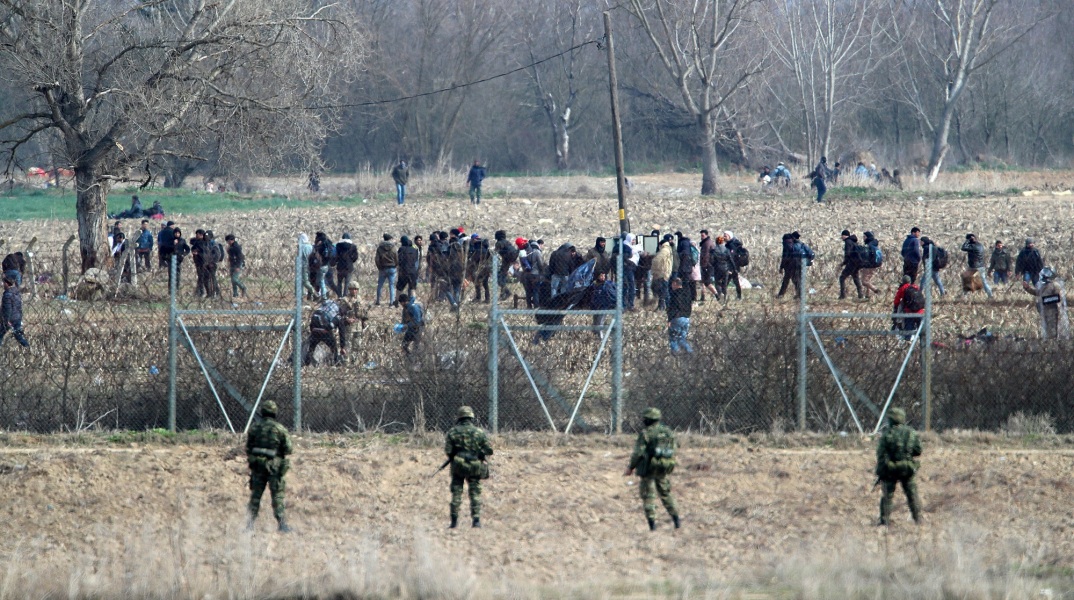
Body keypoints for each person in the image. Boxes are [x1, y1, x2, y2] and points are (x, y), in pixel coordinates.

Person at [624, 407, 680, 531]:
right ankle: (676, 521)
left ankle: (652, 526)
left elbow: (638, 453)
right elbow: (674, 448)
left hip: (648, 469)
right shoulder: (668, 432)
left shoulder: (646, 433)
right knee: (666, 494)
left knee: (648, 496)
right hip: (664, 467)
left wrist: (630, 467)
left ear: (648, 419)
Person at [246, 400, 293, 533]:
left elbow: (249, 447)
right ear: (274, 413)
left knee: (255, 496)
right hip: (274, 467)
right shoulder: (280, 429)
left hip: (258, 466)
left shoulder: (254, 428)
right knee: (277, 496)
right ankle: (282, 525)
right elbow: (288, 449)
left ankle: (249, 525)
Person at [444, 405, 493, 529]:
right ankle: (476, 521)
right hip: (474, 466)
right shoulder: (479, 432)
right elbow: (489, 450)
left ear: (459, 417)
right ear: (471, 417)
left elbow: (448, 451)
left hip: (458, 465)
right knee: (475, 493)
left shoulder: (452, 432)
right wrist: (479, 454)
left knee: (456, 493)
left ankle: (454, 521)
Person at [875, 407, 922, 526]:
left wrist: (881, 471)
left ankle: (884, 521)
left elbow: (881, 455)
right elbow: (918, 450)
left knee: (887, 496)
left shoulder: (886, 435)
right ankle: (918, 519)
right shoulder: (911, 433)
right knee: (912, 494)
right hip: (907, 468)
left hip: (890, 470)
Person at [1022, 267, 1069, 339]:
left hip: (1052, 310)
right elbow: (1037, 292)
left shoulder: (1054, 286)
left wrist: (1044, 301)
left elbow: (1058, 298)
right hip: (1043, 310)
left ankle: (1053, 343)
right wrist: (1027, 288)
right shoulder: (1042, 286)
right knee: (1046, 329)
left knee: (1052, 329)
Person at [304, 299, 354, 365]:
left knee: (312, 347)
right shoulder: (338, 315)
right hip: (324, 330)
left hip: (314, 327)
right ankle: (335, 362)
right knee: (333, 347)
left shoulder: (330, 303)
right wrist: (342, 347)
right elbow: (341, 332)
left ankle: (306, 363)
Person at [0, 271, 29, 348]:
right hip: (17, 318)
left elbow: (7, 309)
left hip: (9, 320)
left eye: (3, 282)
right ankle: (27, 346)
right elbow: (19, 307)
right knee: (18, 335)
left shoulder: (7, 295)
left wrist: (6, 321)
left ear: (6, 283)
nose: (2, 284)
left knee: (0, 334)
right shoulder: (17, 293)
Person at [666, 276, 693, 354]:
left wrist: (670, 320)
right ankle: (690, 352)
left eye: (672, 284)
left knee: (673, 338)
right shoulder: (687, 294)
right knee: (682, 339)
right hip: (686, 318)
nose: (671, 286)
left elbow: (673, 307)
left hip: (677, 318)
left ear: (675, 283)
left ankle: (676, 354)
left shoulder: (674, 294)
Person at [960, 233, 992, 298]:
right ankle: (990, 294)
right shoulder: (979, 245)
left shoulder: (974, 246)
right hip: (980, 266)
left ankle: (964, 296)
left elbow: (963, 248)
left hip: (974, 267)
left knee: (967, 280)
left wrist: (967, 241)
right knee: (983, 281)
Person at [838, 230, 864, 300]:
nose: (841, 237)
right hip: (857, 263)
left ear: (844, 235)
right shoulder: (853, 241)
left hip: (851, 263)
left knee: (842, 277)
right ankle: (860, 294)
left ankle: (842, 295)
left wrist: (843, 263)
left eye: (842, 235)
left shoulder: (847, 242)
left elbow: (848, 254)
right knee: (855, 277)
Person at [374, 233, 398, 306]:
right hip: (392, 267)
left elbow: (377, 259)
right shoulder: (393, 247)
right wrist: (395, 265)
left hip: (383, 268)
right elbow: (396, 257)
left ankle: (378, 301)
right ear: (390, 239)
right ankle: (391, 302)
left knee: (380, 285)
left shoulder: (380, 248)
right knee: (391, 285)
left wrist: (379, 267)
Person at [650, 237, 673, 309]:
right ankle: (661, 306)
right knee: (661, 291)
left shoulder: (664, 250)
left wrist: (653, 268)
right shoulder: (668, 249)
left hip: (662, 273)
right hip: (663, 272)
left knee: (664, 290)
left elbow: (657, 260)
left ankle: (668, 306)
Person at [334, 233, 359, 300]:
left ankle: (339, 296)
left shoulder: (338, 245)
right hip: (348, 267)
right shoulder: (353, 246)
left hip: (340, 267)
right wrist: (351, 260)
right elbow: (356, 257)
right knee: (347, 283)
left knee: (339, 283)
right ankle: (345, 297)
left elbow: (336, 256)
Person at [859, 231, 882, 299]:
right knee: (868, 280)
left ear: (868, 237)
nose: (863, 238)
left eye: (864, 236)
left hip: (868, 265)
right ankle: (867, 295)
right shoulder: (874, 245)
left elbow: (865, 256)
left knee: (864, 281)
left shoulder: (868, 246)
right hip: (875, 265)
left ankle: (876, 290)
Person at [225, 234, 247, 299]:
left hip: (237, 264)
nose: (228, 242)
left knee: (234, 279)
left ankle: (243, 287)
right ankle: (235, 294)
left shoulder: (236, 247)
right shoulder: (230, 247)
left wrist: (238, 266)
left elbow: (240, 257)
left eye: (229, 241)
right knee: (232, 280)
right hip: (232, 264)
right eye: (227, 241)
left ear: (233, 240)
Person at [298, 233, 316, 300]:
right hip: (309, 266)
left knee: (304, 281)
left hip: (302, 266)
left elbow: (299, 257)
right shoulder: (311, 246)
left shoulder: (301, 247)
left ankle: (314, 293)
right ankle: (302, 296)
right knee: (303, 281)